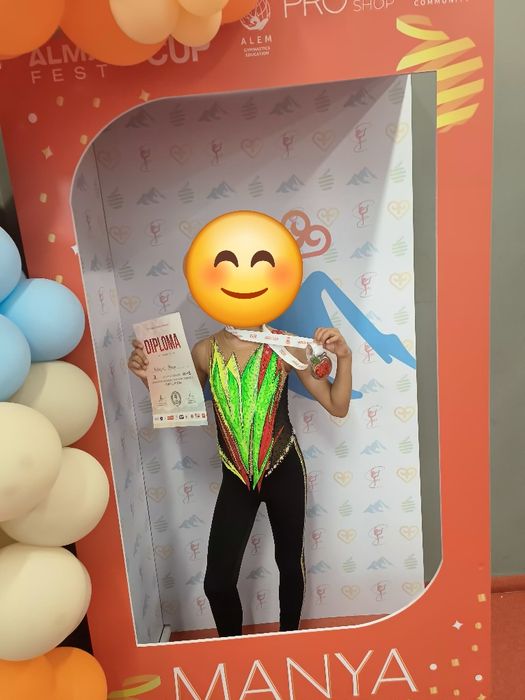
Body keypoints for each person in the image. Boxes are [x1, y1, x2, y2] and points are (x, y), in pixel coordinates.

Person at [128, 210, 352, 637]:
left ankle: (288, 642)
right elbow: (180, 407)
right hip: (236, 477)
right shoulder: (203, 351)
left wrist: (345, 358)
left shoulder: (287, 347)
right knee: (217, 582)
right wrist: (148, 376)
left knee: (290, 564)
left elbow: (337, 406)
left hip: (284, 469)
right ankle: (231, 650)